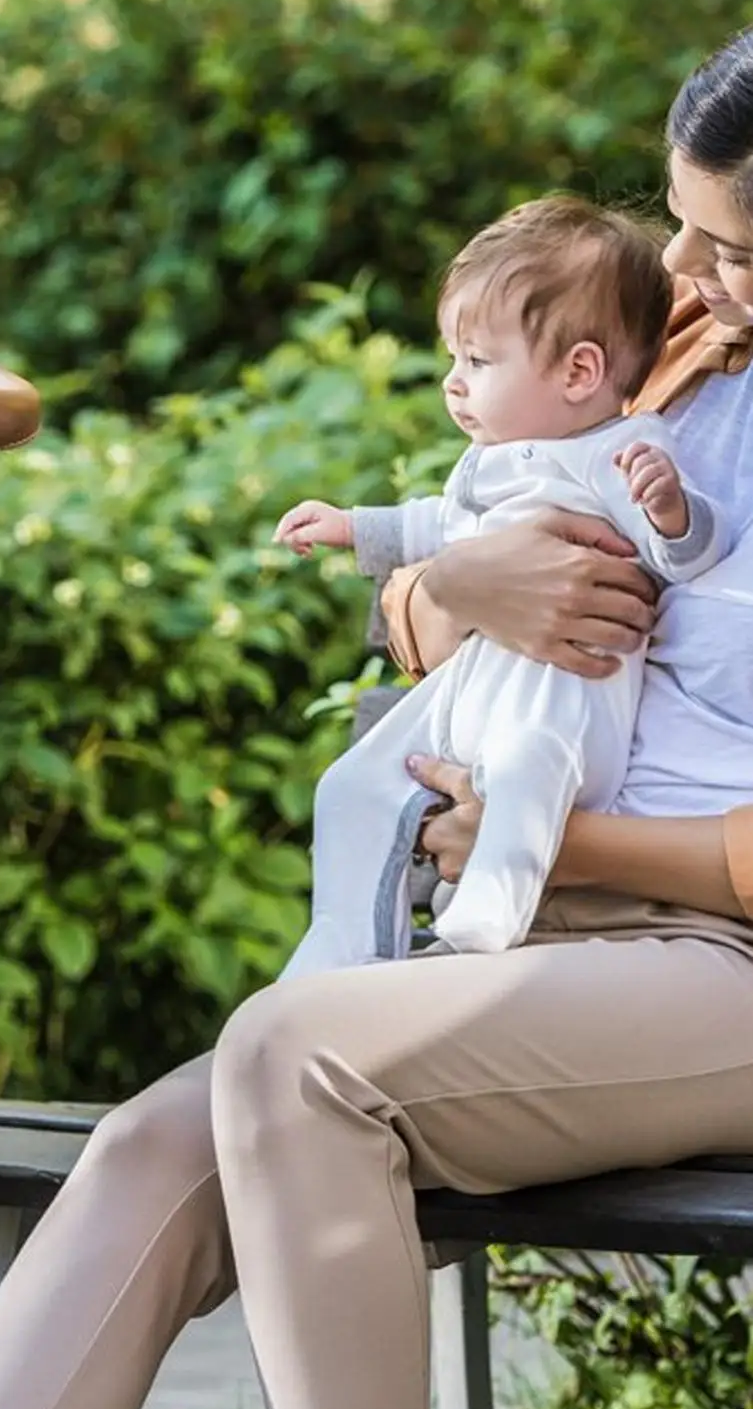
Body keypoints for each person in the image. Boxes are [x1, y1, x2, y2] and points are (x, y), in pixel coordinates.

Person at [0, 26, 753, 1409]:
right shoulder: (681, 354)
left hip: (704, 953)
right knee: (150, 1149)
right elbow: (470, 571)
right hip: (533, 925)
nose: (679, 272)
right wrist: (449, 583)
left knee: (291, 1059)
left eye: (724, 244)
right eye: (678, 230)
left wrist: (568, 850)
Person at [271, 196, 724, 971]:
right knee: (351, 785)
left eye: (476, 362)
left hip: (565, 689)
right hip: (479, 680)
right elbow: (436, 527)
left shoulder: (624, 448)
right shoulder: (495, 457)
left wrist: (671, 512)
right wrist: (351, 526)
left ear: (580, 370)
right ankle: (338, 944)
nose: (452, 383)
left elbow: (680, 556)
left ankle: (488, 912)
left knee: (525, 766)